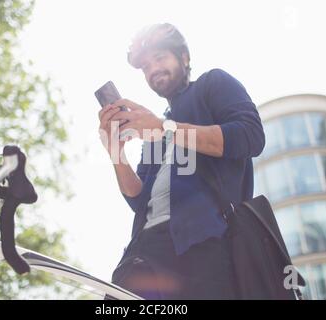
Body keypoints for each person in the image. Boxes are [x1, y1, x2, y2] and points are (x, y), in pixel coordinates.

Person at [98, 23, 265, 299]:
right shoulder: (154, 127)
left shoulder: (213, 83)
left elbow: (251, 136)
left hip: (205, 245)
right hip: (142, 251)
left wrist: (165, 128)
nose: (153, 70)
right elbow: (139, 199)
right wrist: (115, 153)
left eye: (160, 58)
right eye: (145, 67)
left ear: (184, 58)